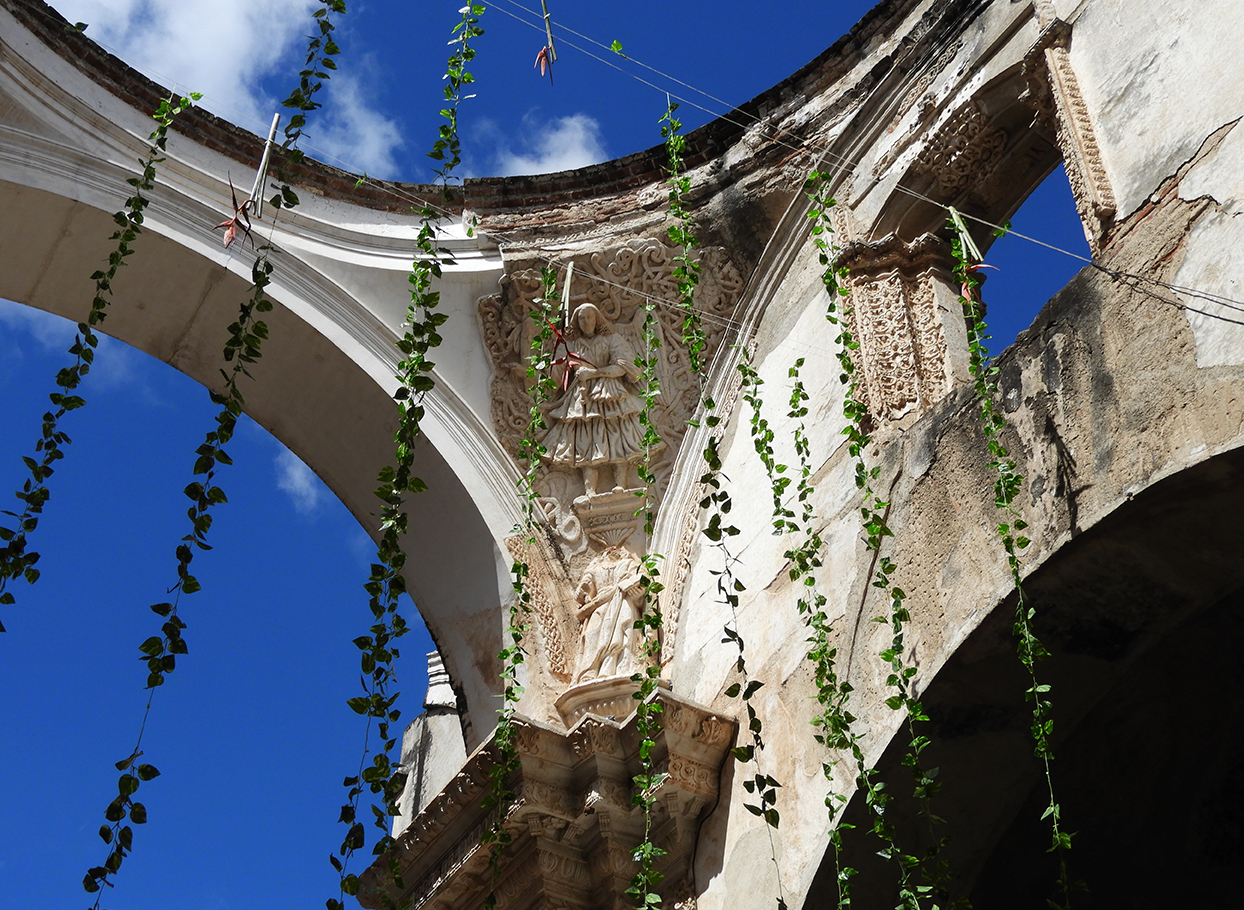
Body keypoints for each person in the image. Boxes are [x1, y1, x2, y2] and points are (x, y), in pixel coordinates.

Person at [541, 303, 646, 495]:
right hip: (582, 397)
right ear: (576, 321)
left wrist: (594, 373)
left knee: (616, 434)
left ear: (597, 318)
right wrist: (558, 358)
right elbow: (558, 372)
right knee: (584, 439)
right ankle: (590, 491)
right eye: (581, 318)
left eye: (589, 317)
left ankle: (620, 485)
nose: (586, 322)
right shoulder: (571, 343)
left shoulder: (611, 339)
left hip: (609, 393)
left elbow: (623, 366)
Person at [573, 547, 644, 682]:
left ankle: (618, 667)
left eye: (616, 549)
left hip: (623, 601)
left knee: (622, 630)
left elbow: (641, 580)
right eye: (608, 551)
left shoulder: (629, 564)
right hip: (599, 604)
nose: (613, 550)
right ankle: (590, 671)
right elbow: (582, 590)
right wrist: (582, 593)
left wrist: (638, 594)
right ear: (602, 555)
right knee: (592, 633)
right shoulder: (594, 569)